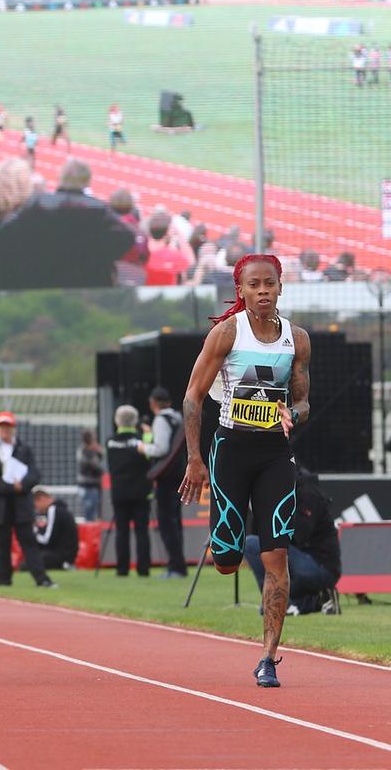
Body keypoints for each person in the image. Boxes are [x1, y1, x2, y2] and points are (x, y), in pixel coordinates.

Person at [180, 253, 311, 688]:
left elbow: (303, 399)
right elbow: (193, 397)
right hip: (230, 449)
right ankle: (222, 534)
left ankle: (269, 658)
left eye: (268, 284)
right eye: (253, 285)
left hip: (275, 454)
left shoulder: (297, 339)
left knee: (277, 556)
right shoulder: (226, 334)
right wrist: (195, 458)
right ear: (241, 290)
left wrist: (294, 410)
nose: (262, 292)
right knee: (227, 562)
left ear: (280, 287)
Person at [0, 159, 139, 288]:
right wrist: (99, 256)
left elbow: (6, 232)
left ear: (60, 178)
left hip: (41, 279)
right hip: (87, 283)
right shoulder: (98, 209)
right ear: (87, 182)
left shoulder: (37, 203)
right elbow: (127, 240)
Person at [243, 467, 340, 615]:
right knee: (251, 544)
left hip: (320, 564)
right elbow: (260, 535)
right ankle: (280, 599)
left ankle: (297, 599)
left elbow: (300, 535)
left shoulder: (308, 492)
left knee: (269, 548)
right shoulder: (282, 492)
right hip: (297, 561)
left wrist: (274, 506)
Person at [0, 410, 54, 588]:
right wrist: (10, 487)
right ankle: (4, 581)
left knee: (29, 543)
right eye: (2, 427)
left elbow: (34, 473)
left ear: (13, 428)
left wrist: (22, 485)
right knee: (2, 546)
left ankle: (41, 579)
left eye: (8, 427)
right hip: (0, 505)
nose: (5, 430)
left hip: (21, 504)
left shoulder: (24, 449)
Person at [143, 387, 187, 577]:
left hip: (166, 477)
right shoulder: (177, 417)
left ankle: (175, 566)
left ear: (153, 403)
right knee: (176, 521)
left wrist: (143, 447)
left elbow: (161, 449)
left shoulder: (161, 420)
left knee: (166, 523)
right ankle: (179, 563)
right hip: (178, 474)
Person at [107, 405, 152, 578]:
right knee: (142, 531)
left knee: (121, 532)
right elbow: (150, 453)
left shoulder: (110, 441)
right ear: (135, 421)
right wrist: (147, 433)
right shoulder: (140, 440)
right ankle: (143, 569)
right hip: (141, 491)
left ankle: (122, 569)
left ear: (117, 421)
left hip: (119, 492)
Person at [32, 488, 79, 570]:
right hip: (65, 554)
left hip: (61, 555)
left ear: (42, 499)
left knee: (29, 563)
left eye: (35, 504)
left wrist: (33, 530)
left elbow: (46, 539)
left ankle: (64, 565)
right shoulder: (61, 510)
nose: (36, 508)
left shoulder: (53, 510)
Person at [76, 429, 104, 521]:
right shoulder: (86, 452)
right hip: (88, 487)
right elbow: (96, 467)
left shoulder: (89, 451)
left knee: (93, 513)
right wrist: (98, 452)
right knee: (89, 515)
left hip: (92, 486)